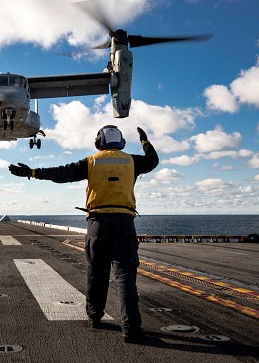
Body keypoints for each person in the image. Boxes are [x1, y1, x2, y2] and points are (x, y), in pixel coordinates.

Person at [8, 125, 159, 342]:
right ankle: (131, 329)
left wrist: (31, 172)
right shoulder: (132, 161)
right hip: (124, 224)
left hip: (97, 224)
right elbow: (153, 161)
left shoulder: (91, 162)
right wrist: (145, 141)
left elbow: (60, 173)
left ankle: (95, 317)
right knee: (125, 277)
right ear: (121, 143)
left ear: (99, 142)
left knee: (96, 274)